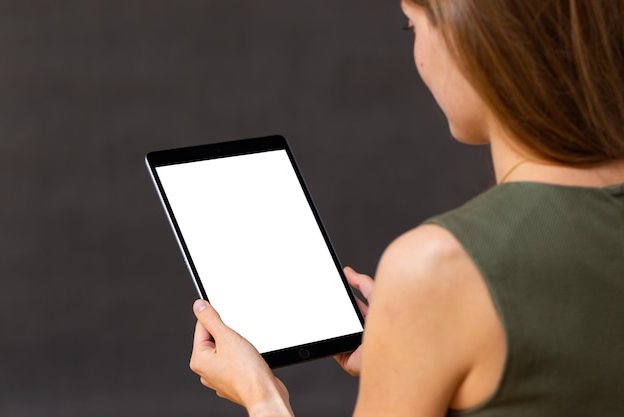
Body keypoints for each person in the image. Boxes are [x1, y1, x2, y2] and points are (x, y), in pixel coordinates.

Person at [188, 0, 624, 415]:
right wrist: (408, 352)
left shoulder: (437, 266)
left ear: (470, 35)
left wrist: (263, 397)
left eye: (411, 25)